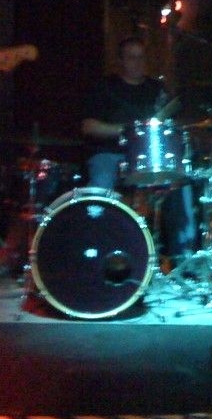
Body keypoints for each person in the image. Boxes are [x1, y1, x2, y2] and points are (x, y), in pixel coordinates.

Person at [81, 36, 195, 259]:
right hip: (111, 153)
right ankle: (96, 252)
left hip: (151, 157)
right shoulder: (105, 87)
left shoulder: (157, 89)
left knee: (183, 183)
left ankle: (184, 258)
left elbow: (171, 124)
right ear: (121, 61)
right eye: (132, 57)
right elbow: (88, 125)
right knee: (100, 186)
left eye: (141, 57)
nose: (138, 62)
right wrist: (126, 130)